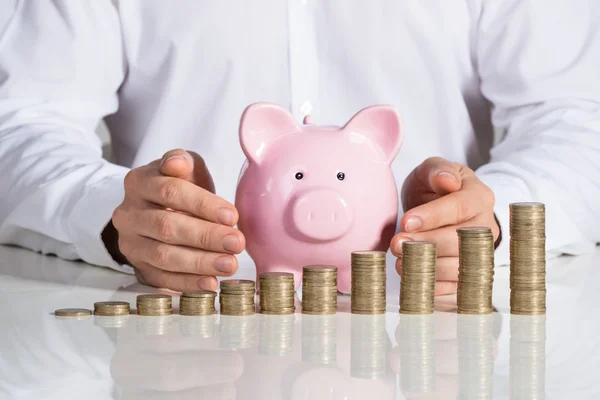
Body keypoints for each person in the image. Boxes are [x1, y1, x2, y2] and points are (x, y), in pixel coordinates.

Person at [0, 1, 598, 295]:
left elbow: (578, 117)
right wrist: (115, 219)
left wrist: (488, 218)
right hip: (175, 323)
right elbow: (22, 122)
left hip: (423, 325)